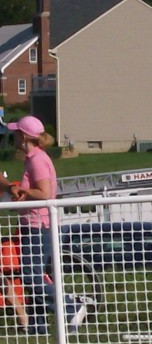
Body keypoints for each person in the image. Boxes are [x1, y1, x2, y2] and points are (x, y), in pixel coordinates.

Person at [0, 115, 87, 335]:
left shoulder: (37, 159)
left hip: (39, 226)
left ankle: (70, 308)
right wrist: (21, 196)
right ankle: (38, 327)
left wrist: (24, 191)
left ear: (25, 136)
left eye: (16, 132)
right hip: (37, 224)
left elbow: (45, 193)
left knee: (31, 276)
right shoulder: (32, 157)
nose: (14, 136)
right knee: (36, 275)